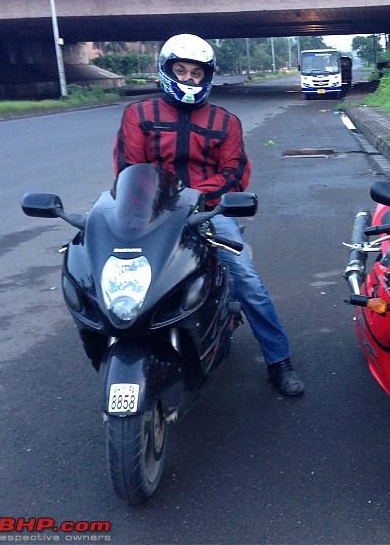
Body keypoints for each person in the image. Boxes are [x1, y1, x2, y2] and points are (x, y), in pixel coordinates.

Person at [113, 33, 304, 397]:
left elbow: (234, 172)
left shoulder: (225, 121)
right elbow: (129, 167)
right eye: (181, 70)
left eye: (196, 73)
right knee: (123, 274)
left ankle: (279, 361)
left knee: (247, 280)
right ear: (166, 71)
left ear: (207, 76)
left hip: (208, 211)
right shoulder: (138, 114)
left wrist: (197, 197)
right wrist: (153, 202)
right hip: (152, 210)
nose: (188, 79)